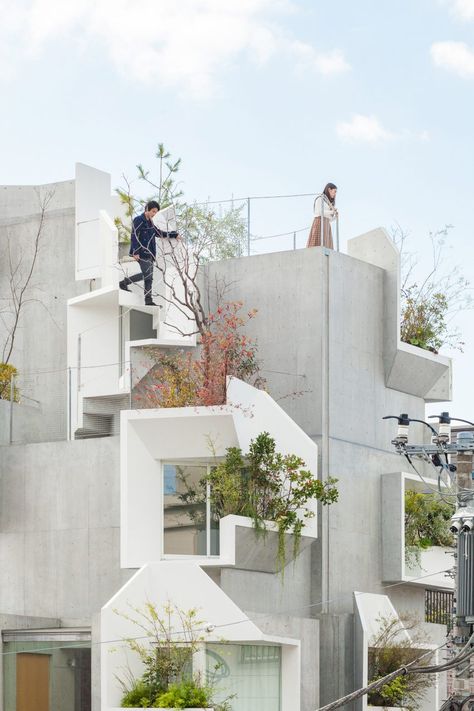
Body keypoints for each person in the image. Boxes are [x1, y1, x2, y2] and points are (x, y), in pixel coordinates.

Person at [119, 200, 178, 305]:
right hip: (141, 253)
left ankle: (148, 300)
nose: (154, 214)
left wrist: (174, 234)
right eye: (153, 211)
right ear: (147, 209)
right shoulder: (139, 220)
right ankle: (124, 282)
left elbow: (159, 233)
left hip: (150, 254)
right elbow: (134, 236)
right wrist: (136, 252)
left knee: (149, 277)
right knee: (147, 275)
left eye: (156, 212)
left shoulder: (151, 223)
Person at [306, 183, 338, 249]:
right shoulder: (320, 198)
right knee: (317, 245)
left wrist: (335, 216)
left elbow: (329, 218)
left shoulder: (328, 202)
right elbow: (318, 212)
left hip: (326, 224)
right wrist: (332, 211)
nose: (335, 194)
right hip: (319, 223)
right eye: (334, 191)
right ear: (329, 189)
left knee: (327, 247)